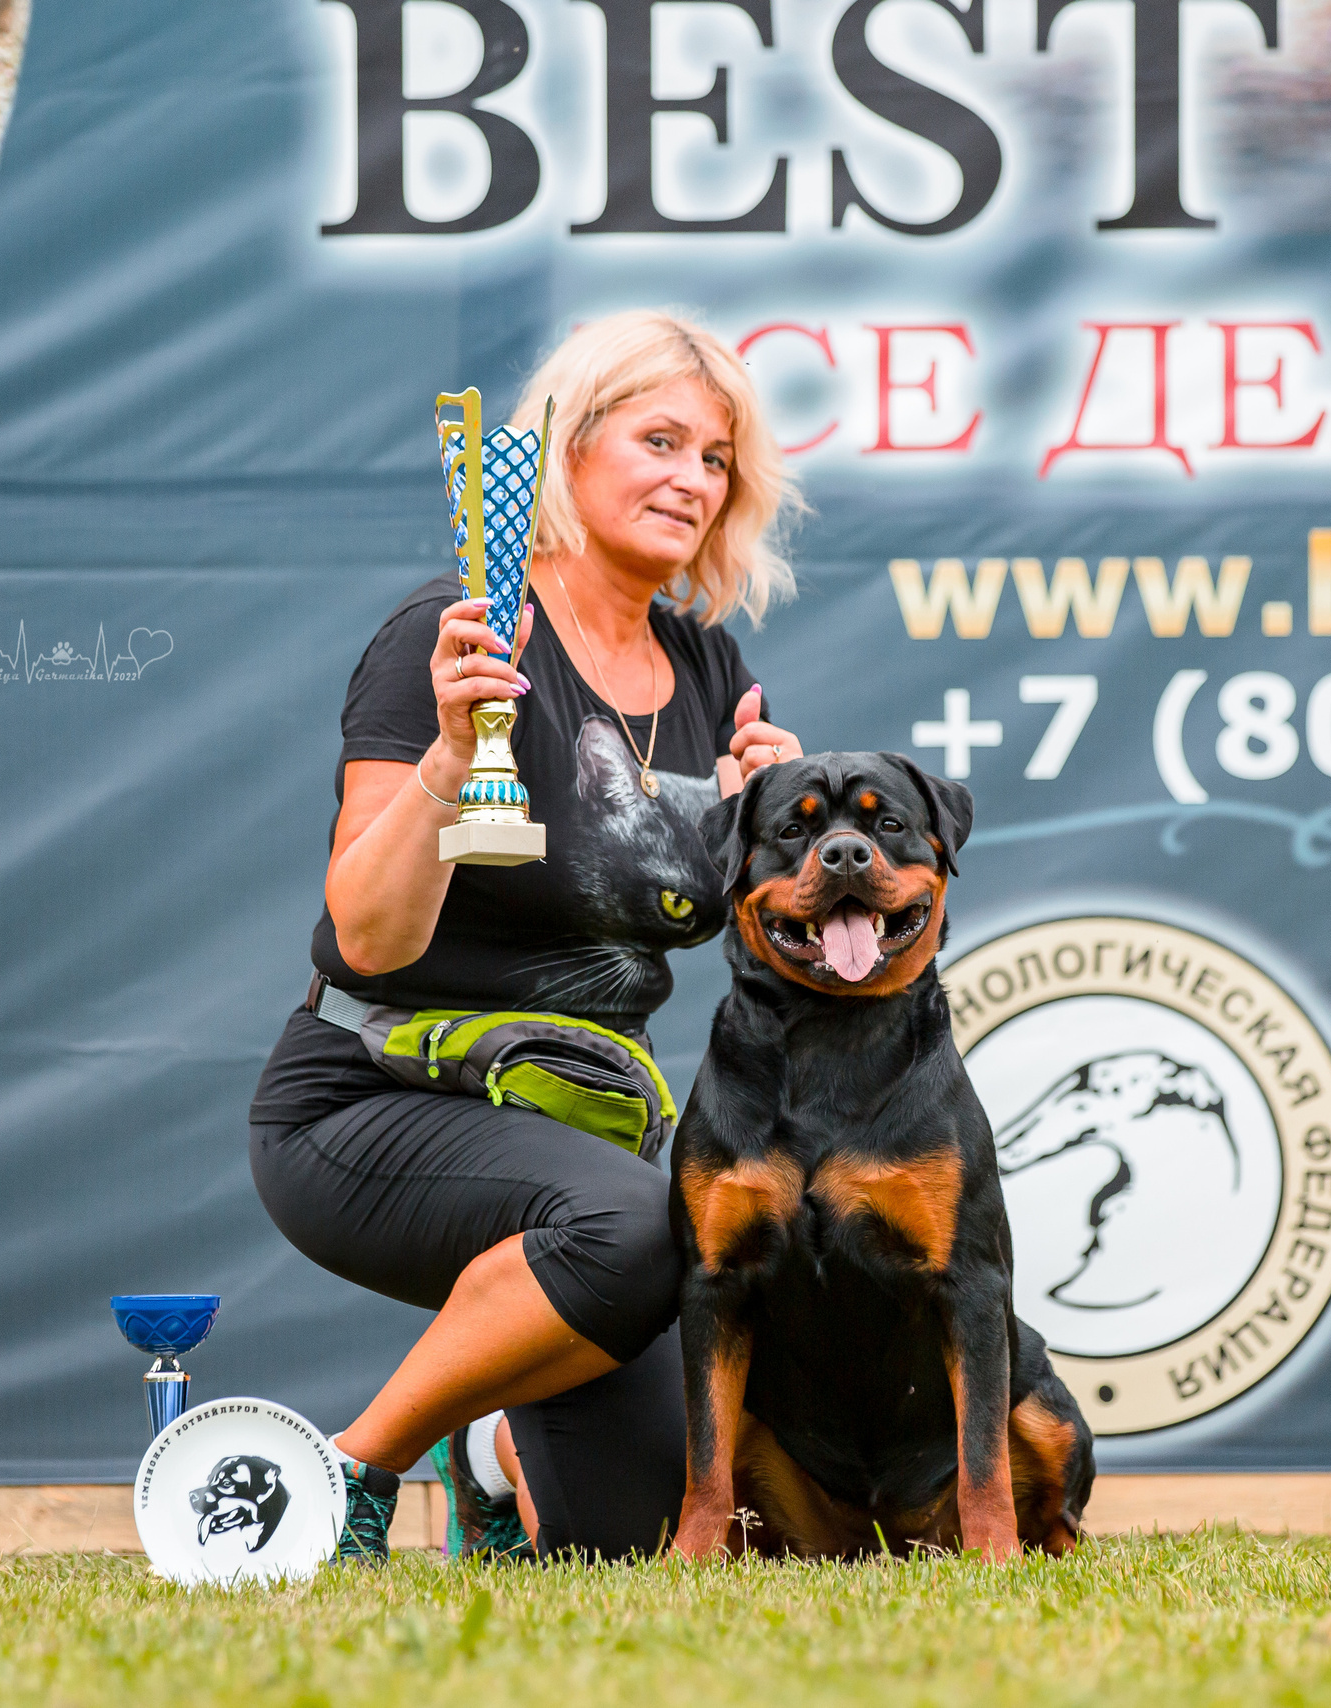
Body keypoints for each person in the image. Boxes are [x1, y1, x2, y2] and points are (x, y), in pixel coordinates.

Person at [248, 310, 805, 1561]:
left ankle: (496, 1454)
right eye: (659, 440)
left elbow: (756, 950)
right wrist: (452, 754)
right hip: (371, 1093)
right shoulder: (457, 632)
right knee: (645, 1221)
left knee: (647, 1531)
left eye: (715, 459)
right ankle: (354, 1472)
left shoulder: (709, 667)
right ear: (566, 449)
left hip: (590, 1122)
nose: (691, 480)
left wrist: (776, 829)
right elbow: (371, 937)